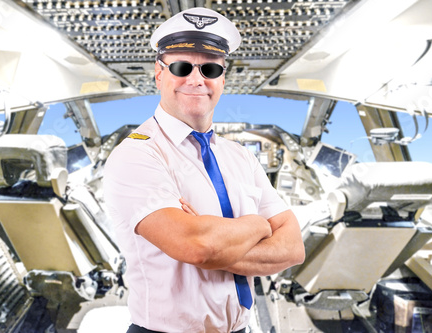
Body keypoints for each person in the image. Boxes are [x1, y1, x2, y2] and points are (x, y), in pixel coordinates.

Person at [103, 7, 305, 333]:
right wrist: (257, 225)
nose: (197, 79)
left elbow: (293, 248)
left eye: (210, 68)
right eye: (182, 67)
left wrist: (215, 245)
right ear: (159, 72)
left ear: (222, 78)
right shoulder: (136, 154)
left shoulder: (240, 157)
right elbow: (195, 247)